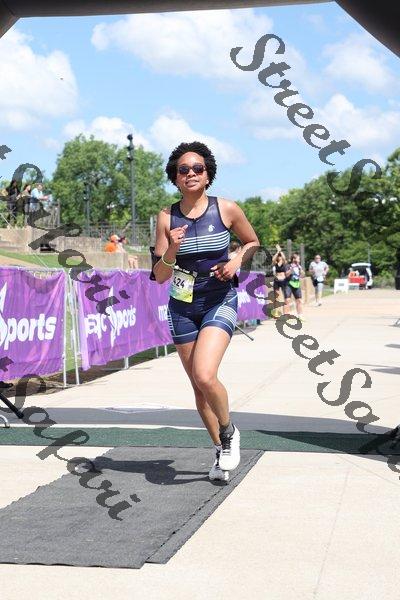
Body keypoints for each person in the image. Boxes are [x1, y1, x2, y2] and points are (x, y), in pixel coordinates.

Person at [152, 141, 259, 482]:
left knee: (205, 375)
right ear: (175, 178)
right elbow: (159, 275)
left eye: (198, 168)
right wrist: (172, 248)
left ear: (208, 174)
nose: (191, 174)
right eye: (183, 170)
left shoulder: (226, 208)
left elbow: (252, 242)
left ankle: (229, 432)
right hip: (182, 307)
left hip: (218, 300)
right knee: (199, 389)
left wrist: (236, 260)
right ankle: (220, 449)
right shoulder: (166, 217)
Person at [271, 245, 290, 318]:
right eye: (279, 256)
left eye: (280, 256)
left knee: (286, 296)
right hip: (277, 280)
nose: (280, 257)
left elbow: (284, 258)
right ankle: (276, 312)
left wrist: (280, 251)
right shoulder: (275, 263)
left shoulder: (284, 263)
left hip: (283, 280)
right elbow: (273, 259)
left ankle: (285, 312)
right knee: (277, 296)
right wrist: (277, 252)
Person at [286, 253, 305, 320]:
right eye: (298, 258)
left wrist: (300, 270)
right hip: (288, 284)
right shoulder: (288, 266)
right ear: (294, 259)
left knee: (299, 300)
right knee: (287, 300)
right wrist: (291, 269)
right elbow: (286, 275)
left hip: (296, 284)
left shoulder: (299, 266)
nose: (299, 260)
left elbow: (302, 275)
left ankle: (300, 316)